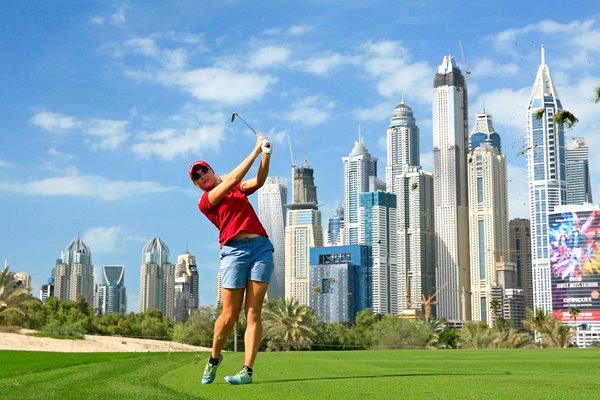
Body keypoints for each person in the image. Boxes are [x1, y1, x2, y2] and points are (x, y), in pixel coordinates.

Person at [189, 134, 273, 385]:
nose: (202, 174)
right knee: (228, 315)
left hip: (260, 248)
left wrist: (266, 154)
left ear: (212, 170)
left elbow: (259, 180)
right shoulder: (206, 201)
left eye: (204, 169)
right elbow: (235, 177)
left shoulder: (236, 189)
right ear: (197, 185)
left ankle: (247, 371)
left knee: (253, 313)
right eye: (197, 176)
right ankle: (214, 358)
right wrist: (256, 149)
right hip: (233, 252)